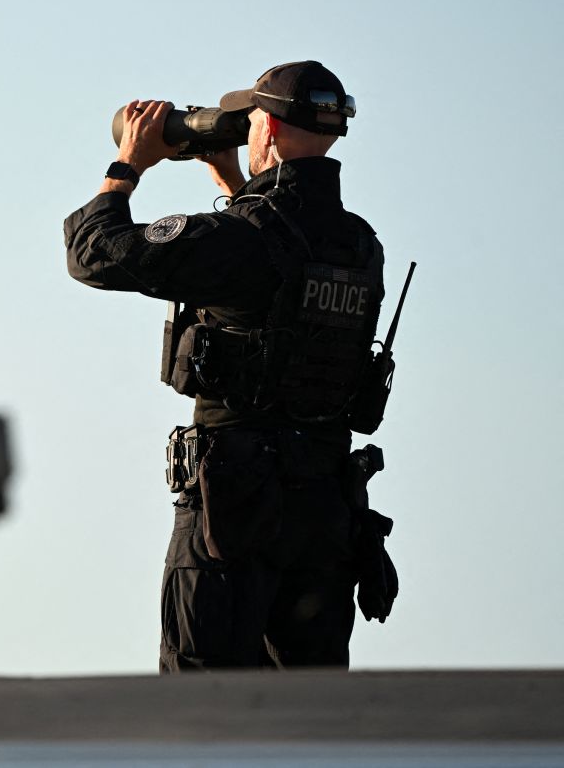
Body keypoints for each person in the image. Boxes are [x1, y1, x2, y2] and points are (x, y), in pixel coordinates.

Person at [63, 61, 395, 672]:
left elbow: (94, 254)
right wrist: (234, 181)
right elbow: (278, 266)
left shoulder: (239, 239)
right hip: (324, 512)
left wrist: (128, 165)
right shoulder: (360, 244)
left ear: (262, 127)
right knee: (309, 716)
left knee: (203, 706)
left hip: (231, 510)